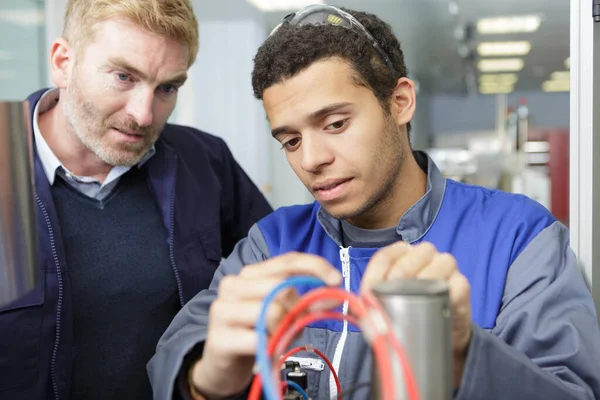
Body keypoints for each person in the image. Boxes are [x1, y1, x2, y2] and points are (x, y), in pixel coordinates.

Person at [148, 5, 600, 400]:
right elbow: (173, 358)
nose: (311, 159)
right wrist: (205, 378)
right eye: (290, 140)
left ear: (400, 102)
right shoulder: (271, 244)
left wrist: (464, 354)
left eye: (337, 123)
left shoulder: (519, 237)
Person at [0, 0, 273, 399]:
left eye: (167, 88)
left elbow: (279, 273)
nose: (144, 115)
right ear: (63, 62)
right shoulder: (6, 164)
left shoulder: (204, 163)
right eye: (124, 77)